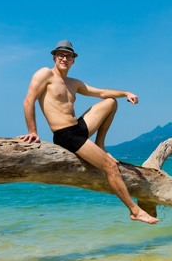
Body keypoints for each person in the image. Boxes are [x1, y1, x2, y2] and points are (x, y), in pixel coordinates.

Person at [18, 40, 159, 224]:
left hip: (77, 128)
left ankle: (100, 144)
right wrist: (33, 131)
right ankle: (134, 210)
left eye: (68, 56)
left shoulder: (73, 83)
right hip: (65, 135)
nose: (64, 58)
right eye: (60, 54)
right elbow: (28, 101)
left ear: (73, 61)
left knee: (110, 102)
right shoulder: (45, 74)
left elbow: (101, 92)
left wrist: (126, 93)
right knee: (110, 166)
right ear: (54, 57)